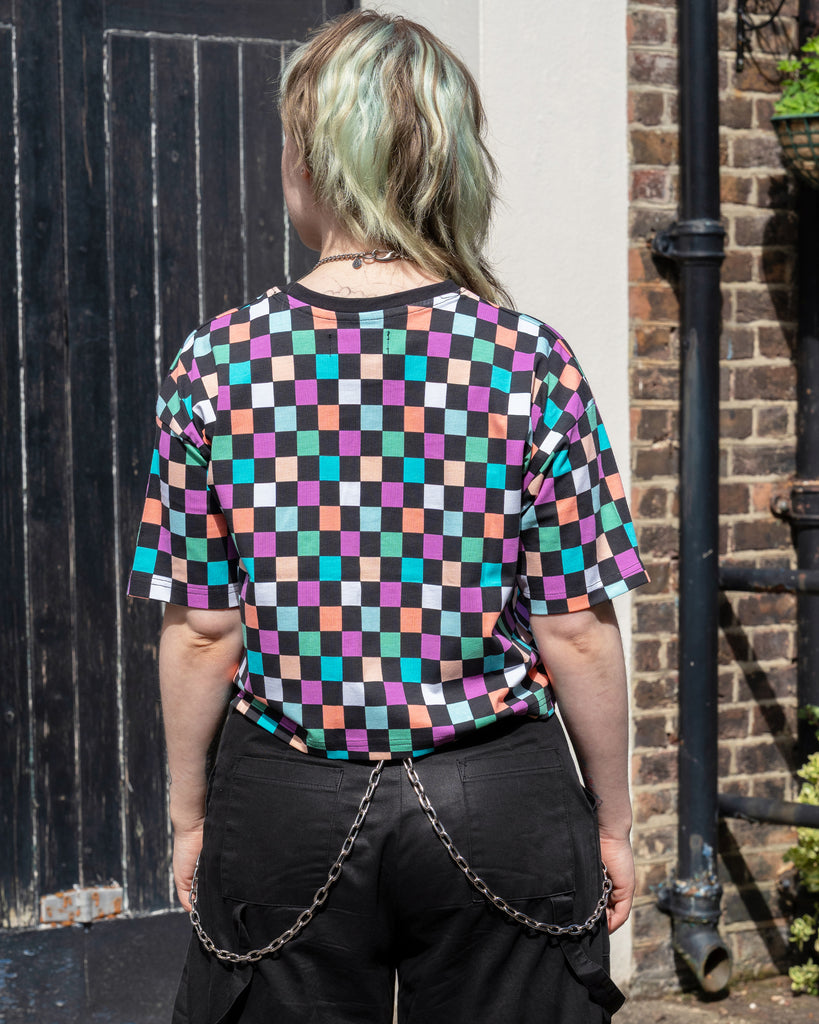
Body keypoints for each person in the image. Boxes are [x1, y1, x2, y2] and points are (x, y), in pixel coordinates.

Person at [128, 10, 649, 1023]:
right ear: (449, 166)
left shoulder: (217, 361)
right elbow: (575, 624)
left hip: (287, 795)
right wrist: (614, 817)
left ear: (312, 161)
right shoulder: (528, 359)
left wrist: (191, 814)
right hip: (495, 791)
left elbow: (201, 628)